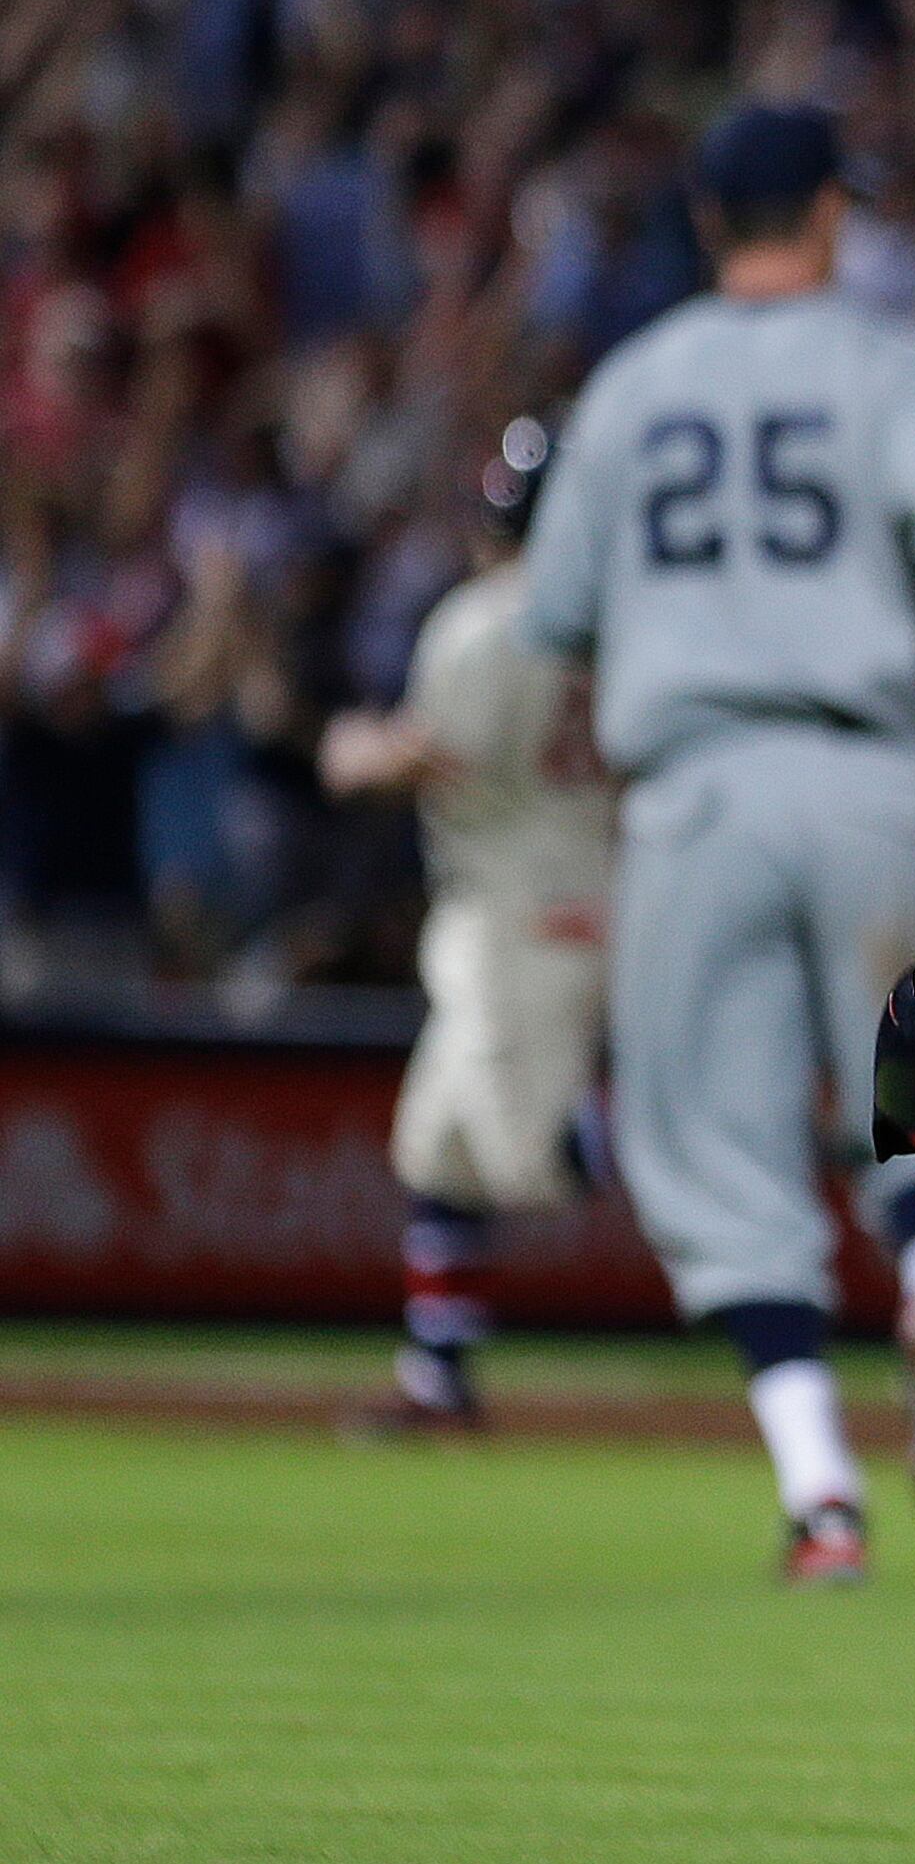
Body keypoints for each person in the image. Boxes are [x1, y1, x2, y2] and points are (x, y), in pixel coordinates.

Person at [518, 104, 915, 1582]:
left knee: (716, 1156)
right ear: (830, 214)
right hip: (878, 775)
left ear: (709, 222)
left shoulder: (632, 387)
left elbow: (554, 618)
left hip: (696, 784)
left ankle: (823, 1498)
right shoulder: (893, 362)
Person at [320, 415, 614, 1432]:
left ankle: (668, 1112)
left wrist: (352, 748)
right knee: (437, 1146)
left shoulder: (486, 619)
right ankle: (439, 1373)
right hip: (598, 893)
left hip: (511, 913)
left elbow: (432, 756)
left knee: (528, 1153)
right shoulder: (628, 621)